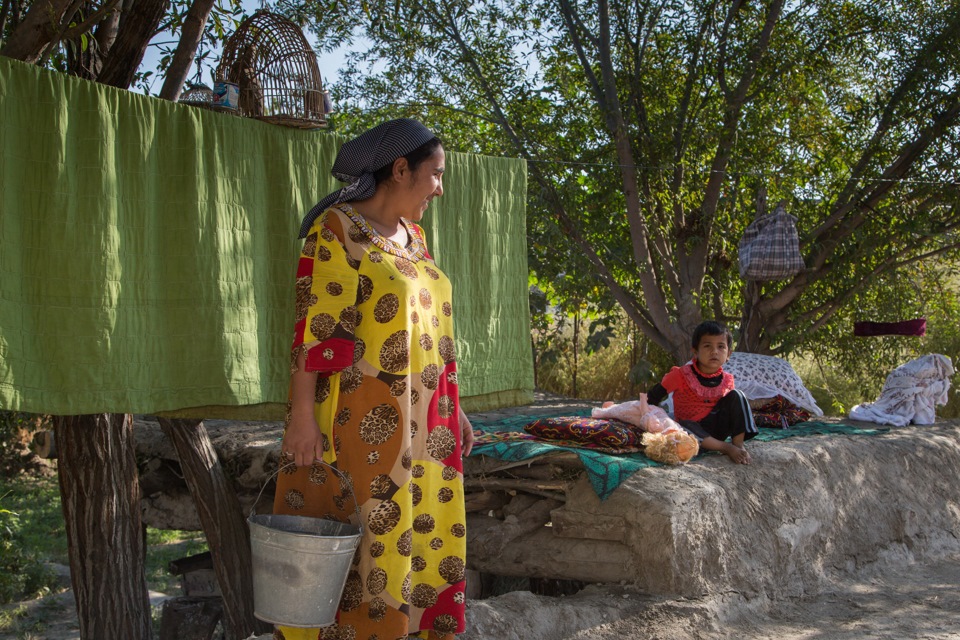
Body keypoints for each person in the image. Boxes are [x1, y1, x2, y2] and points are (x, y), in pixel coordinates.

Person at [273, 118, 475, 640]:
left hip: (426, 419)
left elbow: (428, 328)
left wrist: (456, 408)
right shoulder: (338, 229)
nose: (440, 187)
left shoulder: (416, 238)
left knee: (421, 526)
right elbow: (316, 330)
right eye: (435, 174)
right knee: (366, 538)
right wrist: (301, 417)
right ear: (401, 168)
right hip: (362, 416)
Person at [646, 321, 757, 464]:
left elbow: (732, 410)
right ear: (695, 351)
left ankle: (738, 445)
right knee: (682, 424)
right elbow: (653, 396)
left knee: (738, 395)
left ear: (728, 354)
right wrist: (652, 420)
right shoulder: (680, 375)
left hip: (717, 430)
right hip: (692, 431)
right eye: (707, 346)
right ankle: (726, 448)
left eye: (721, 346)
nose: (714, 351)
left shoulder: (727, 380)